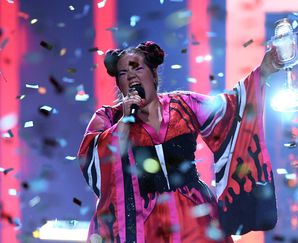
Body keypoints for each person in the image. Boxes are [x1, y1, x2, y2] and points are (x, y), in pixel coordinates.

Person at [77, 41, 280, 242]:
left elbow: (230, 109)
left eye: (138, 68)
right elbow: (94, 159)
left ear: (154, 74)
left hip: (195, 214)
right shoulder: (109, 118)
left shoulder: (183, 105)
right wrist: (126, 121)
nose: (131, 76)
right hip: (144, 223)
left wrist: (264, 72)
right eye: (122, 73)